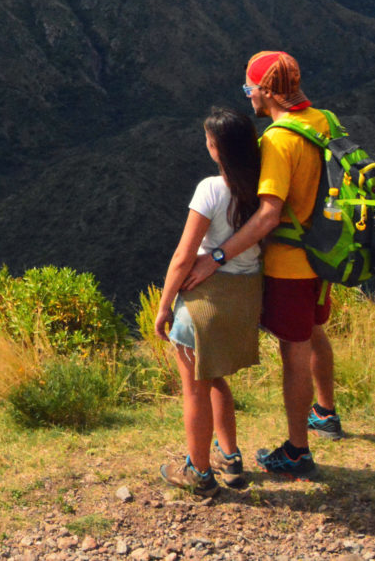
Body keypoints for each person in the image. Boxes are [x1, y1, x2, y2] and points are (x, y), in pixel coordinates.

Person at [183, 50, 343, 480]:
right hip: (326, 257)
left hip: (290, 264)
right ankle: (324, 412)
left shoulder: (278, 139)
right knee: (311, 331)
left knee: (294, 352)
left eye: (249, 88)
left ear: (266, 91)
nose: (248, 95)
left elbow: (269, 214)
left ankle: (297, 451)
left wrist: (218, 256)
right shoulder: (323, 120)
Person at [154, 107, 264, 497]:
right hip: (247, 296)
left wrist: (164, 305)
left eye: (208, 140)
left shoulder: (211, 189)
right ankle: (230, 459)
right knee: (214, 376)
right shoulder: (262, 187)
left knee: (194, 387)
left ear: (217, 148)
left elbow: (184, 256)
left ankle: (198, 473)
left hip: (206, 301)